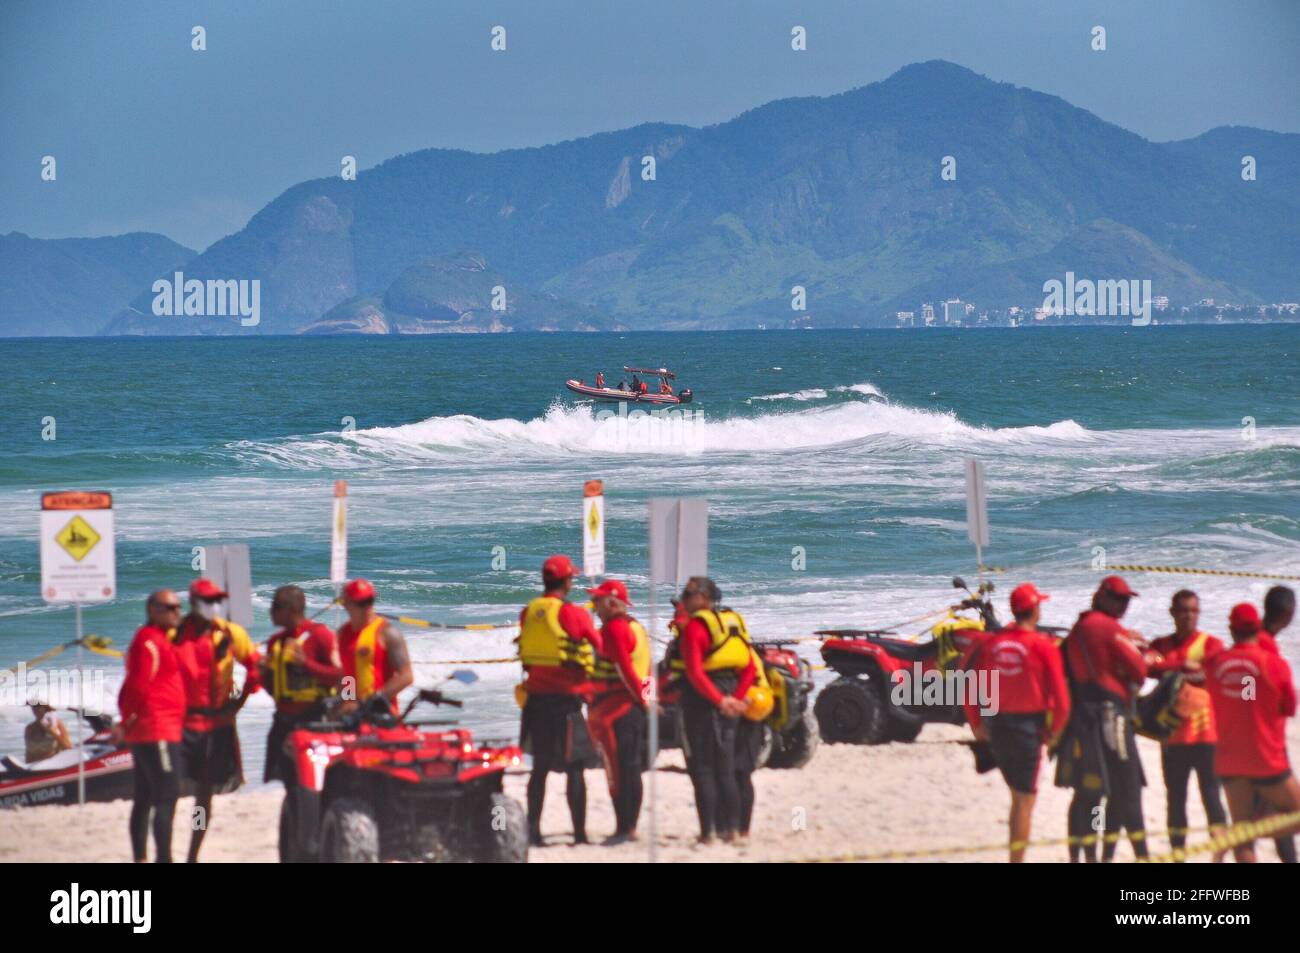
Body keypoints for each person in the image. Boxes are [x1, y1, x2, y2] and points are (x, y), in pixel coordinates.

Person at [963, 583, 1069, 862]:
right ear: (1034, 610)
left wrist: (976, 722)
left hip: (997, 726)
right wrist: (1055, 732)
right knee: (1024, 801)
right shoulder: (1043, 646)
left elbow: (970, 683)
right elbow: (1062, 698)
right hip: (1027, 729)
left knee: (1017, 797)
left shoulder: (992, 643)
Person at [1055, 575, 1149, 862]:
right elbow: (1139, 671)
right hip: (1111, 720)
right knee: (1127, 789)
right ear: (1103, 597)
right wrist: (1135, 650)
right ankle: (1129, 855)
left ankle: (1080, 857)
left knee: (1086, 793)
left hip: (1081, 720)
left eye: (1127, 600)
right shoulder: (1109, 629)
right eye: (1119, 599)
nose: (1124, 605)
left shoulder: (1078, 629)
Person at [170, 578, 262, 862]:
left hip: (216, 728)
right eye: (208, 601)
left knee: (203, 795)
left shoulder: (230, 634)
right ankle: (164, 851)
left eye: (216, 601)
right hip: (181, 726)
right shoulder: (174, 636)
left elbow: (255, 667)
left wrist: (238, 703)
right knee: (169, 792)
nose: (214, 607)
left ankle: (192, 855)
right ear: (195, 603)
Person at [667, 576, 762, 843]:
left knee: (704, 769)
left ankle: (708, 832)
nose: (684, 599)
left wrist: (720, 702)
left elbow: (695, 673)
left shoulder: (696, 627)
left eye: (688, 594)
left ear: (704, 599)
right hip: (732, 693)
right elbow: (750, 667)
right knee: (726, 767)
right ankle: (732, 830)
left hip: (703, 700)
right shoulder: (733, 622)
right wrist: (737, 699)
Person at [517, 554, 603, 846]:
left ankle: (533, 832)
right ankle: (579, 835)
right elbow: (598, 645)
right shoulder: (575, 614)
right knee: (575, 767)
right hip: (567, 702)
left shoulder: (528, 611)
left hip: (536, 700)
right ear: (567, 581)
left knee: (539, 768)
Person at [1206, 602, 1300, 863]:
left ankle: (1237, 833)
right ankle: (1239, 831)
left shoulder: (1215, 665)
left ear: (1231, 630)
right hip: (1265, 758)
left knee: (1243, 837)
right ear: (1258, 628)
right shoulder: (1274, 664)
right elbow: (1290, 707)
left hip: (1228, 760)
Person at [1147, 590, 1228, 859]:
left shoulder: (1212, 644)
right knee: (1176, 802)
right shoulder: (1161, 644)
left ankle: (1218, 857)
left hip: (1206, 737)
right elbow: (1146, 666)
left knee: (1212, 799)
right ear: (1172, 612)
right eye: (1183, 610)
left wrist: (1171, 668)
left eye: (1193, 610)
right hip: (1172, 738)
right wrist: (1184, 666)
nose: (1188, 616)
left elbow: (1216, 671)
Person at [114, 590, 187, 863]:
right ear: (153, 610)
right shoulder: (148, 642)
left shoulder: (158, 640)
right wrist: (125, 722)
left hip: (158, 728)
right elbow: (135, 686)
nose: (177, 612)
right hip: (157, 730)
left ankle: (141, 858)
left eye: (179, 607)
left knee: (144, 795)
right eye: (170, 607)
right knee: (167, 795)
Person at [586, 579, 650, 844]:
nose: (594, 606)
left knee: (618, 769)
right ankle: (629, 826)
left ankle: (625, 827)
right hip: (632, 706)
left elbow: (625, 669)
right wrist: (646, 700)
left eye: (598, 601)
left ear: (612, 604)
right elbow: (644, 669)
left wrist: (641, 700)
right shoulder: (636, 626)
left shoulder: (614, 629)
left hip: (617, 708)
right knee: (631, 767)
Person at [261, 585, 343, 784]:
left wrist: (307, 664)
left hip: (314, 720)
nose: (270, 611)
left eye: (275, 606)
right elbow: (273, 686)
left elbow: (345, 676)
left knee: (317, 783)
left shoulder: (320, 636)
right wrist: (262, 673)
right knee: (288, 783)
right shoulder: (276, 642)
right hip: (283, 721)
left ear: (290, 610)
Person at [1257, 585, 1297, 862]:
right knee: (1285, 814)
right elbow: (1289, 705)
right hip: (1268, 746)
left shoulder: (1251, 640)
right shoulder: (1268, 651)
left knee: (1270, 818)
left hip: (1246, 744)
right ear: (1288, 614)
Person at [336, 579, 413, 713]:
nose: (367, 607)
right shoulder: (342, 634)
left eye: (370, 601)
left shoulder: (387, 633)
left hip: (382, 713)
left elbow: (406, 677)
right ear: (346, 604)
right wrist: (347, 702)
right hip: (354, 715)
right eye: (361, 603)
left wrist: (370, 701)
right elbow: (347, 675)